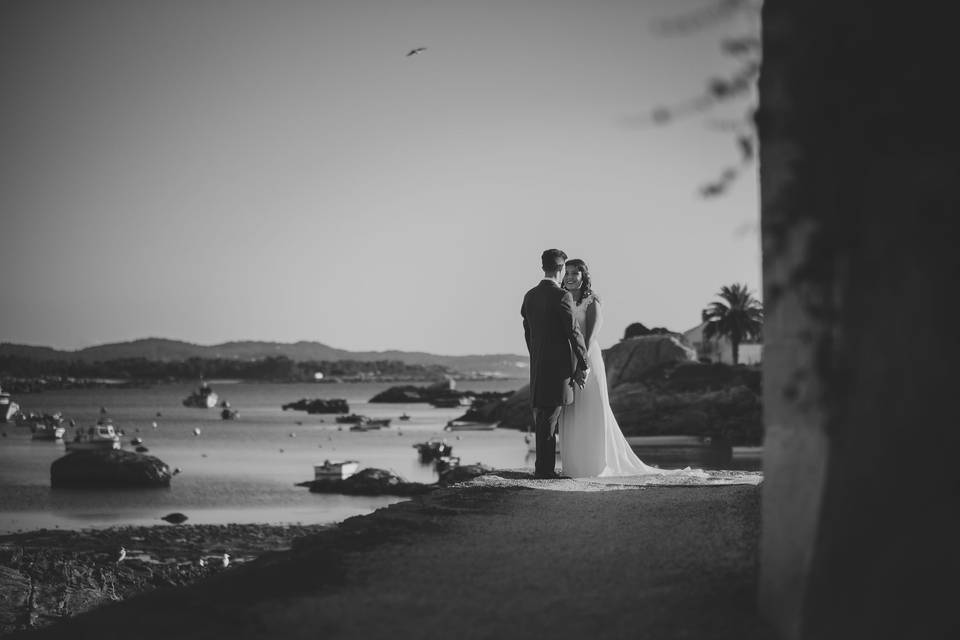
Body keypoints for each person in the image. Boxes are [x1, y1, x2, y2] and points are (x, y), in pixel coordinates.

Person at [558, 258, 708, 479]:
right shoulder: (564, 300)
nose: (569, 277)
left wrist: (582, 365)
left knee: (590, 411)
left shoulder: (592, 302)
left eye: (574, 273)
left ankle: (593, 466)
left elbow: (590, 338)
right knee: (571, 412)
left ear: (584, 276)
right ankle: (574, 467)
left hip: (586, 359)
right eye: (567, 273)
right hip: (566, 359)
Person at [521, 249, 589, 479]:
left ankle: (544, 467)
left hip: (538, 366)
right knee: (549, 420)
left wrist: (535, 354)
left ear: (543, 267)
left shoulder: (529, 296)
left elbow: (527, 329)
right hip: (558, 369)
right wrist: (584, 361)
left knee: (544, 417)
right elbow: (573, 331)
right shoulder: (562, 296)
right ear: (560, 269)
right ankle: (545, 471)